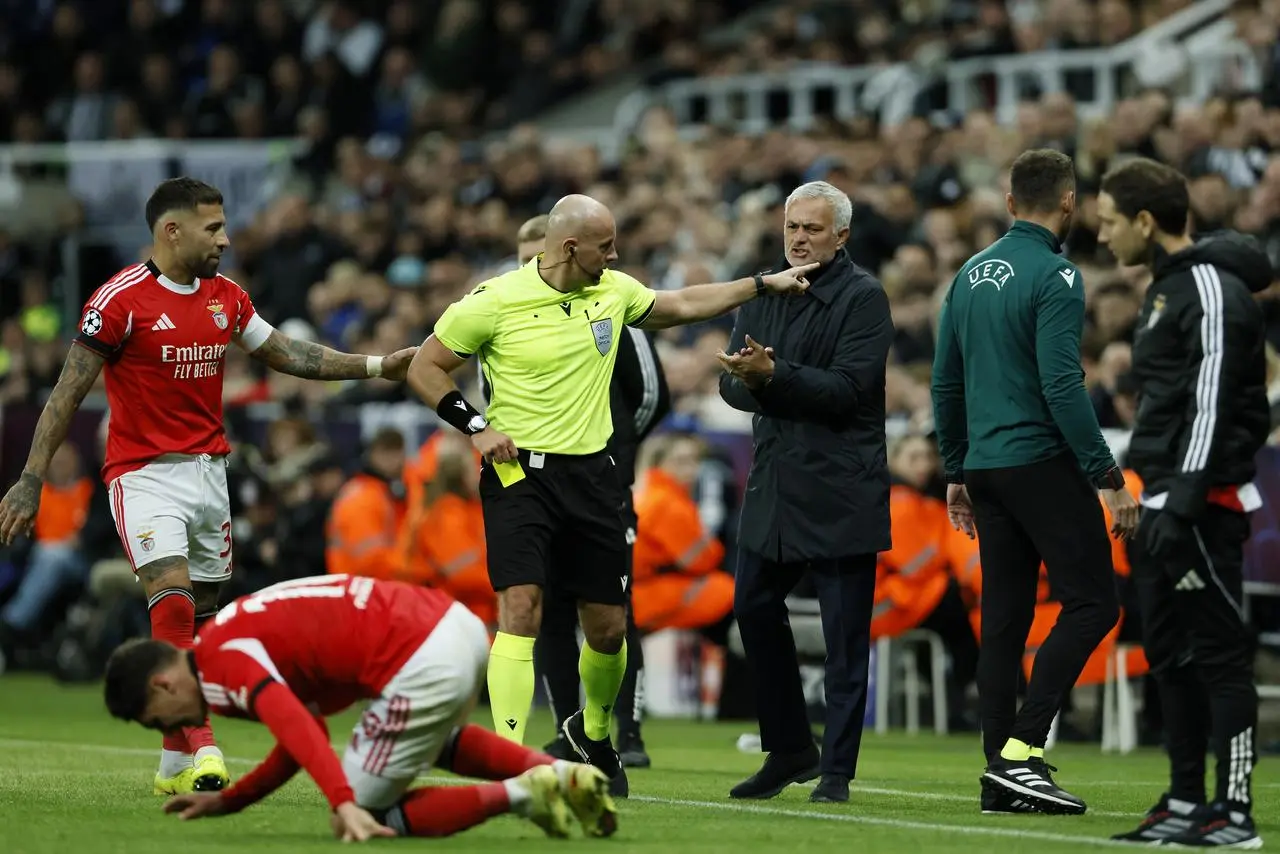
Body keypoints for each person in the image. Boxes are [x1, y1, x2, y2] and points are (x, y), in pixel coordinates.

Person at [0, 177, 417, 796]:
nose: (225, 238)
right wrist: (31, 478)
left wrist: (377, 366)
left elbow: (285, 353)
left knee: (205, 618)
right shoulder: (118, 301)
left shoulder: (226, 296)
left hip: (208, 475)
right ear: (172, 231)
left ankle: (173, 759)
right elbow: (66, 393)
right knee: (170, 599)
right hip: (142, 475)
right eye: (213, 228)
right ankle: (205, 744)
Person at [405, 193, 814, 796]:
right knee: (521, 608)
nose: (616, 254)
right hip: (520, 474)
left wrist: (760, 285)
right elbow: (425, 366)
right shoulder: (493, 301)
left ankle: (594, 736)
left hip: (596, 478)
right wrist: (478, 427)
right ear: (572, 247)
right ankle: (510, 763)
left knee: (608, 629)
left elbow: (681, 305)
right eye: (606, 245)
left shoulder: (614, 291)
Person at [930, 149, 1139, 816]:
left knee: (1004, 619)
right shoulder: (1058, 274)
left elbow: (945, 381)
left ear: (1012, 201)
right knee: (1095, 603)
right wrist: (1106, 476)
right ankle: (1023, 751)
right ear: (1070, 202)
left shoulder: (965, 276)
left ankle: (1000, 771)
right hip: (1038, 460)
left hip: (985, 469)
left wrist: (956, 468)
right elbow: (1060, 384)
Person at [101, 574, 617, 841]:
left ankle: (523, 794)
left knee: (372, 811)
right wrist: (231, 802)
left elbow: (299, 726)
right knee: (425, 740)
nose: (171, 728)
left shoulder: (219, 664)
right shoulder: (229, 634)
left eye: (155, 720)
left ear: (162, 684)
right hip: (452, 624)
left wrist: (345, 801)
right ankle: (562, 773)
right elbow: (302, 736)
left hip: (419, 657)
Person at [1097, 158, 1270, 848]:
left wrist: (1183, 499)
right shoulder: (1165, 289)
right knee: (1169, 653)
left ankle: (1234, 811)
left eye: (1110, 223)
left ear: (1144, 221)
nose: (1104, 237)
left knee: (1220, 653)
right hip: (1161, 496)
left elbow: (1213, 399)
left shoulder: (1206, 286)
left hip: (1197, 502)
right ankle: (1183, 800)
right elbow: (1167, 407)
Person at [716, 180, 895, 805]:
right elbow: (731, 386)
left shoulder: (865, 298)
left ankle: (838, 772)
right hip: (775, 482)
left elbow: (848, 390)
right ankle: (790, 748)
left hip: (842, 485)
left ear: (840, 236)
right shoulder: (762, 291)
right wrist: (752, 380)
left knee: (846, 639)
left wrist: (773, 375)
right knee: (752, 608)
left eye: (812, 229)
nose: (799, 238)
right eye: (792, 226)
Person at [508, 214, 672, 775]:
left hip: (601, 484)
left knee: (610, 610)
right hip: (535, 490)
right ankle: (564, 729)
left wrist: (612, 458)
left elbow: (650, 396)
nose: (537, 265)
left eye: (542, 253)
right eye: (526, 257)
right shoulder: (505, 314)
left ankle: (625, 731)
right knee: (547, 612)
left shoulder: (612, 303)